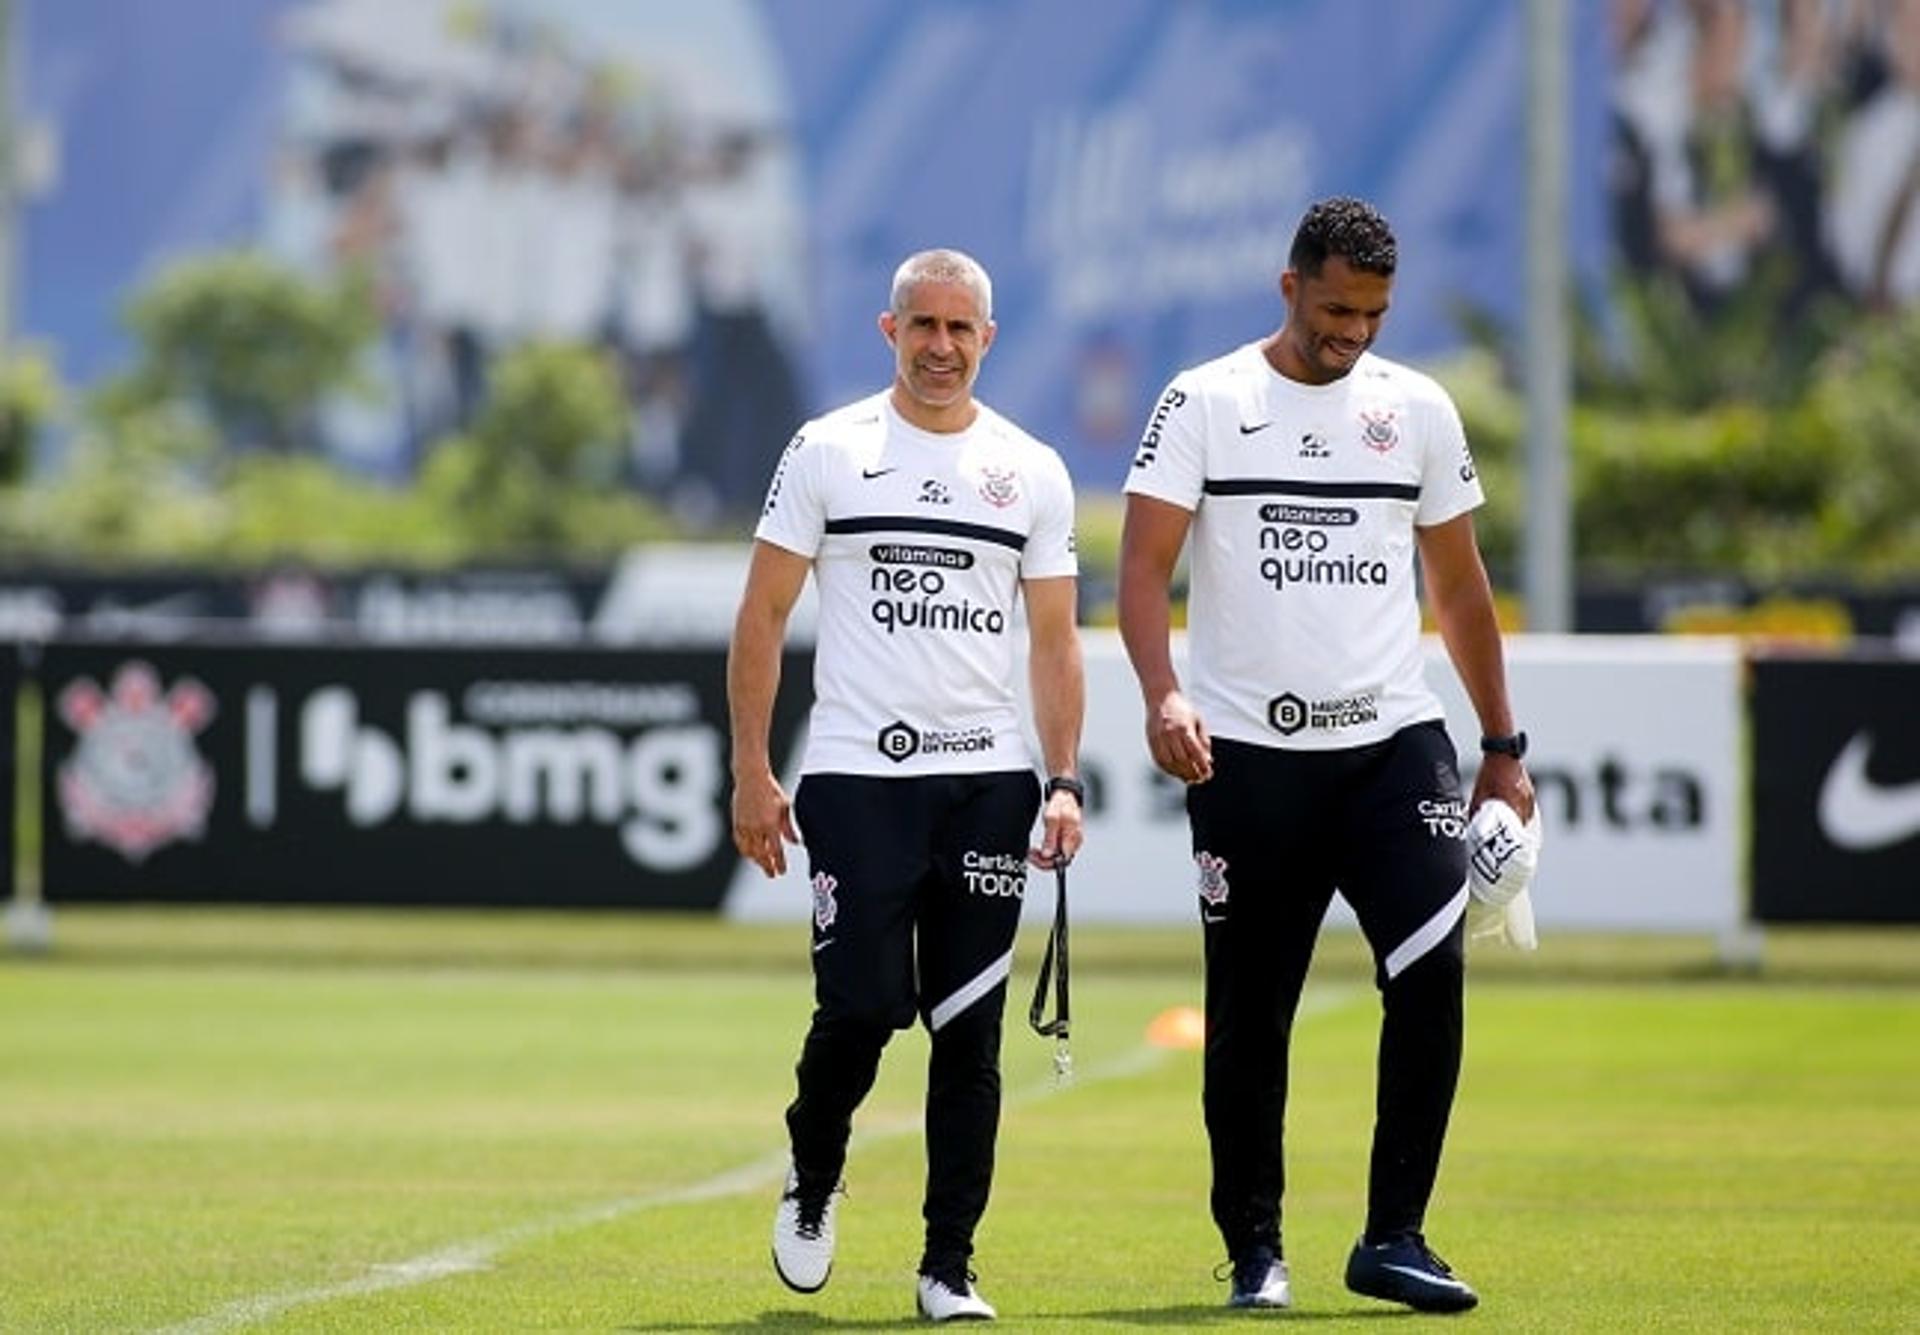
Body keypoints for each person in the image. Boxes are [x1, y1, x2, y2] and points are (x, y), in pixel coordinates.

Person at [1116, 197, 1534, 1314]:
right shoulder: (1203, 402)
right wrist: (1163, 695)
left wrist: (1501, 747)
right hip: (1247, 759)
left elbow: (1459, 588)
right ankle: (1255, 1250)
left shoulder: (1420, 410)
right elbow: (1144, 569)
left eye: (1375, 314)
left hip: (1394, 748)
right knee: (1251, 1017)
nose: (1353, 334)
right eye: (1337, 309)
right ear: (1288, 284)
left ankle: (1394, 1234)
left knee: (1433, 973)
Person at [727, 248, 1086, 1323]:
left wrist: (1061, 779)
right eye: (921, 327)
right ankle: (815, 1169)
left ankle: (948, 1267)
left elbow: (1057, 644)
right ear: (890, 333)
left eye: (959, 330)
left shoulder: (1031, 469)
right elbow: (762, 617)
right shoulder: (829, 450)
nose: (940, 348)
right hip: (855, 778)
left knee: (970, 1035)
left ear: (987, 338)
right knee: (864, 1009)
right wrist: (751, 768)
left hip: (987, 782)